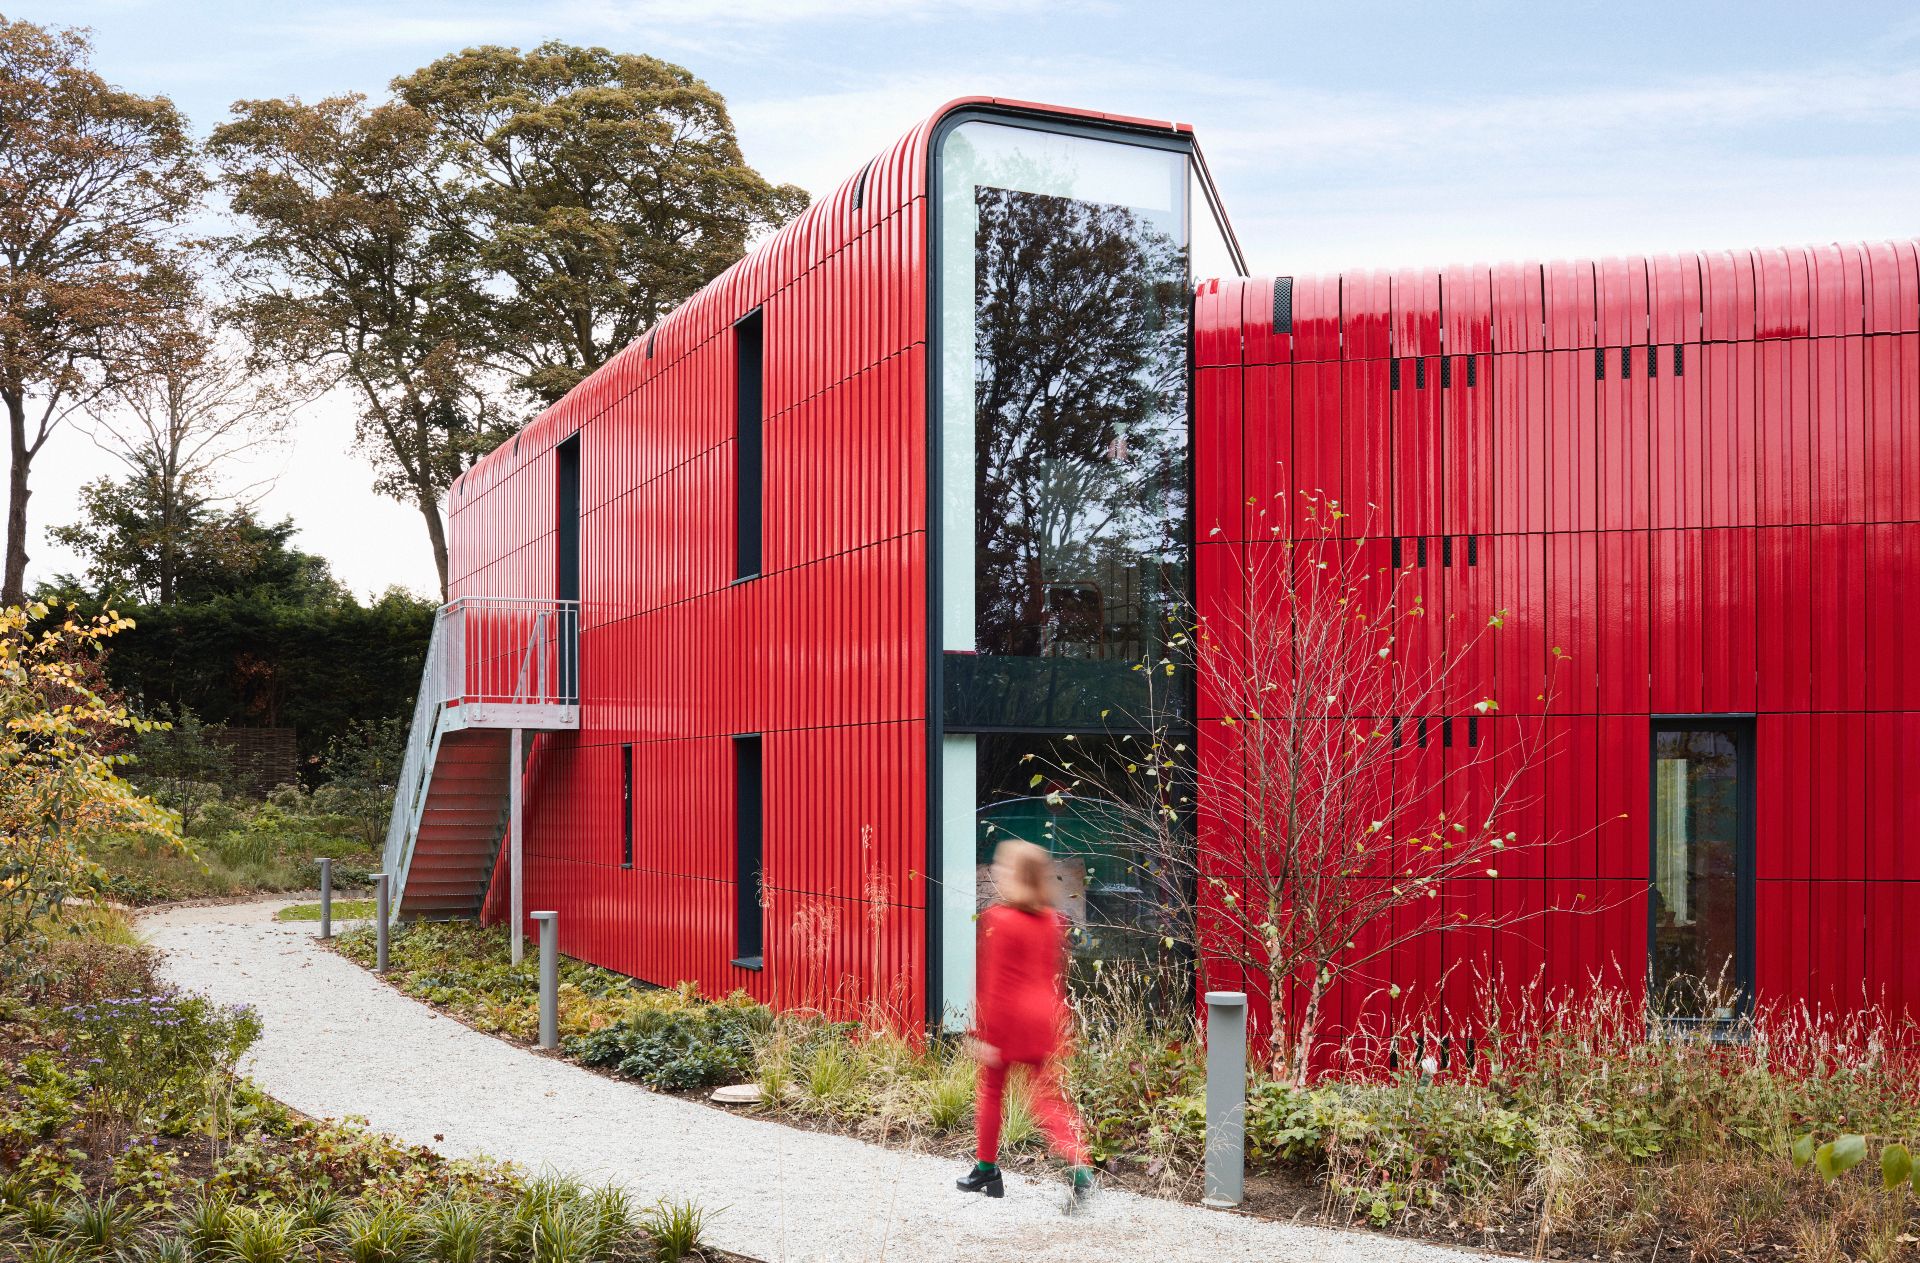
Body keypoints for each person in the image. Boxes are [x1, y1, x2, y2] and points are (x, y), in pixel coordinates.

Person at [955, 837, 1095, 1213]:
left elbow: (994, 983)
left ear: (1016, 877)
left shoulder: (999, 919)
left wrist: (981, 1033)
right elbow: (1054, 973)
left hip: (1010, 1018)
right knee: (1046, 1098)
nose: (998, 873)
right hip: (1046, 1016)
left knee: (991, 1090)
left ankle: (986, 1168)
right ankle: (1080, 1167)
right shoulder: (1052, 921)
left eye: (1003, 869)